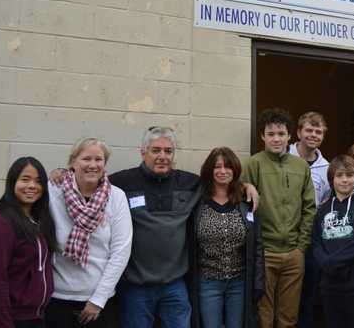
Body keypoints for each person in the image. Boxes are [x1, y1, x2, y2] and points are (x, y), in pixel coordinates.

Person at [109, 126, 258, 328]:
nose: (162, 156)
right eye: (156, 150)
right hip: (136, 287)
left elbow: (221, 182)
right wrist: (64, 173)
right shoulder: (122, 182)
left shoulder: (190, 183)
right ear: (143, 152)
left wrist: (245, 186)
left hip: (175, 286)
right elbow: (91, 178)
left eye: (168, 151)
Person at [45, 138, 132, 328]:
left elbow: (120, 252)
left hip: (100, 303)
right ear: (72, 163)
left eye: (98, 159)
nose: (93, 165)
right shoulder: (52, 190)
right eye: (86, 159)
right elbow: (19, 208)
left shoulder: (116, 197)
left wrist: (98, 300)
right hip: (57, 299)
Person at [241, 108, 317, 328]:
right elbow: (240, 202)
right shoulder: (253, 164)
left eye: (281, 134)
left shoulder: (300, 166)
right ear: (263, 136)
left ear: (289, 136)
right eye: (271, 134)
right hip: (265, 253)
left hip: (294, 253)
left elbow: (309, 207)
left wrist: (301, 246)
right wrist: (244, 184)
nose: (276, 138)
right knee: (264, 316)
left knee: (288, 317)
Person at [188, 147, 265, 328]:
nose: (223, 171)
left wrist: (258, 283)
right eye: (217, 167)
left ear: (235, 169)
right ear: (209, 170)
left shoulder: (246, 202)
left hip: (239, 283)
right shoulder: (197, 201)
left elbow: (258, 245)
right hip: (208, 282)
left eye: (228, 167)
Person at [0, 157, 57, 328]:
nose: (32, 186)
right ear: (12, 182)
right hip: (7, 320)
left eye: (38, 181)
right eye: (25, 179)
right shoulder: (0, 224)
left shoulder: (40, 221)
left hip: (34, 318)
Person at [311, 155, 354, 328]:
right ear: (331, 179)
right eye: (339, 175)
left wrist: (334, 261)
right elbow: (316, 241)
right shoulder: (323, 209)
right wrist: (325, 262)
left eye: (349, 175)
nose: (344, 180)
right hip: (330, 286)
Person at [288, 111, 329, 328]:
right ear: (298, 133)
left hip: (312, 240)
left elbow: (326, 202)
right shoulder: (283, 155)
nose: (313, 135)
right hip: (284, 236)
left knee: (308, 295)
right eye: (309, 130)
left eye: (318, 131)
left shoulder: (327, 168)